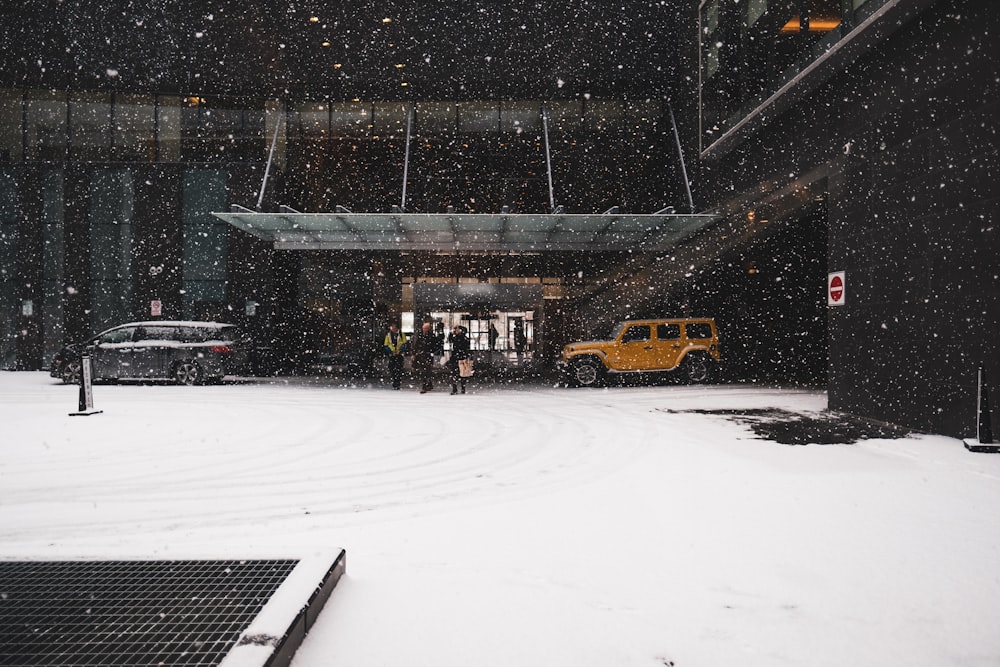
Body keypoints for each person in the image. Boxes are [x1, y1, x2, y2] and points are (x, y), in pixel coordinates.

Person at [409, 321, 436, 393]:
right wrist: (413, 354)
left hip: (427, 355)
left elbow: (434, 346)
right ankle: (428, 384)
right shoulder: (419, 335)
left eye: (426, 328)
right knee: (424, 371)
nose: (425, 329)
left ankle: (425, 386)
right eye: (424, 328)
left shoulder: (431, 336)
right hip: (421, 355)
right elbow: (416, 345)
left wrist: (431, 352)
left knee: (426, 371)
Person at [447, 325, 471, 395]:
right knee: (457, 374)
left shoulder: (463, 338)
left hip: (461, 358)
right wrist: (452, 333)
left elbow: (464, 348)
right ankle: (457, 388)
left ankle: (459, 388)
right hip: (458, 358)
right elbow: (450, 340)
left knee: (461, 374)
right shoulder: (458, 338)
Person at [383, 323, 408, 390]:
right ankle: (395, 381)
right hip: (392, 355)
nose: (392, 329)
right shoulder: (388, 335)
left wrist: (399, 351)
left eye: (393, 328)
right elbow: (386, 345)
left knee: (398, 369)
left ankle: (397, 383)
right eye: (392, 328)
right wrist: (391, 352)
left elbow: (405, 344)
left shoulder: (402, 335)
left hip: (399, 355)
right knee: (392, 368)